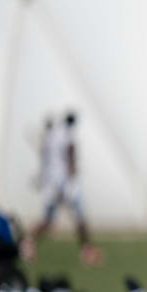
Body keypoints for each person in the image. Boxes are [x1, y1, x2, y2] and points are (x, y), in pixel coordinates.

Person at [21, 111, 101, 265]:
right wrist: (72, 175)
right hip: (64, 183)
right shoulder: (67, 135)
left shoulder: (51, 135)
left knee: (49, 220)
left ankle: (27, 243)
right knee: (79, 218)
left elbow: (45, 157)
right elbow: (70, 157)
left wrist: (42, 177)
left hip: (52, 183)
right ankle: (86, 250)